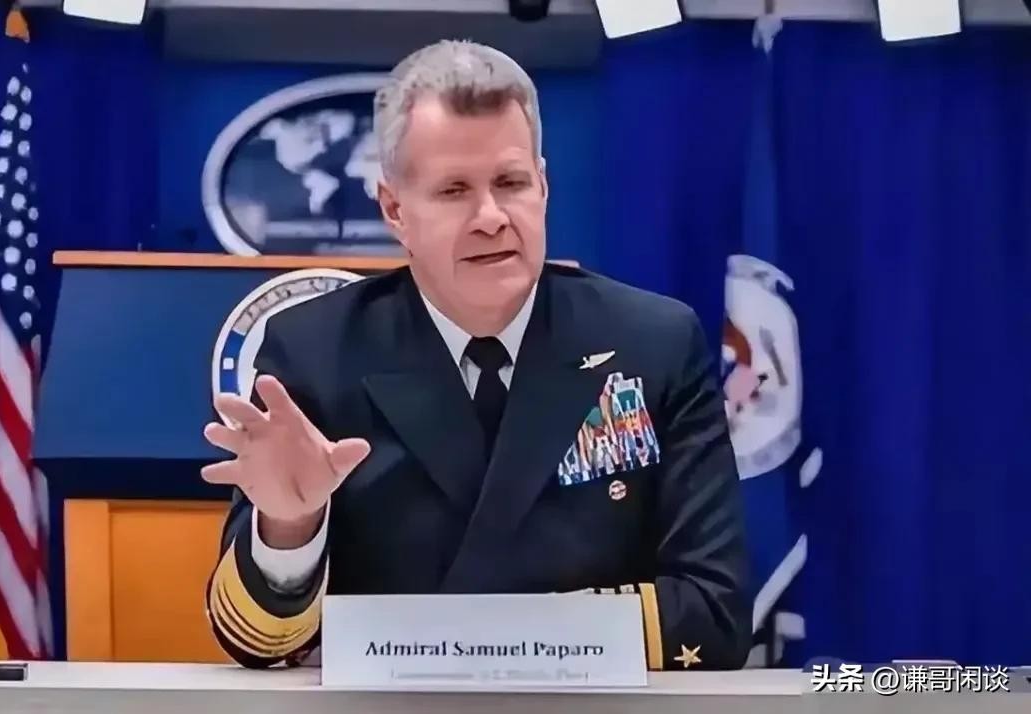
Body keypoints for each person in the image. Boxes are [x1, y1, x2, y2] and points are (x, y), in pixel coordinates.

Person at [202, 39, 751, 671]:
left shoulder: (653, 344)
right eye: (454, 190)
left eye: (511, 183)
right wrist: (290, 527)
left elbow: (715, 615)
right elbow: (256, 644)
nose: (491, 217)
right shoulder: (315, 353)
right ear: (395, 210)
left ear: (543, 187)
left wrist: (475, 642)